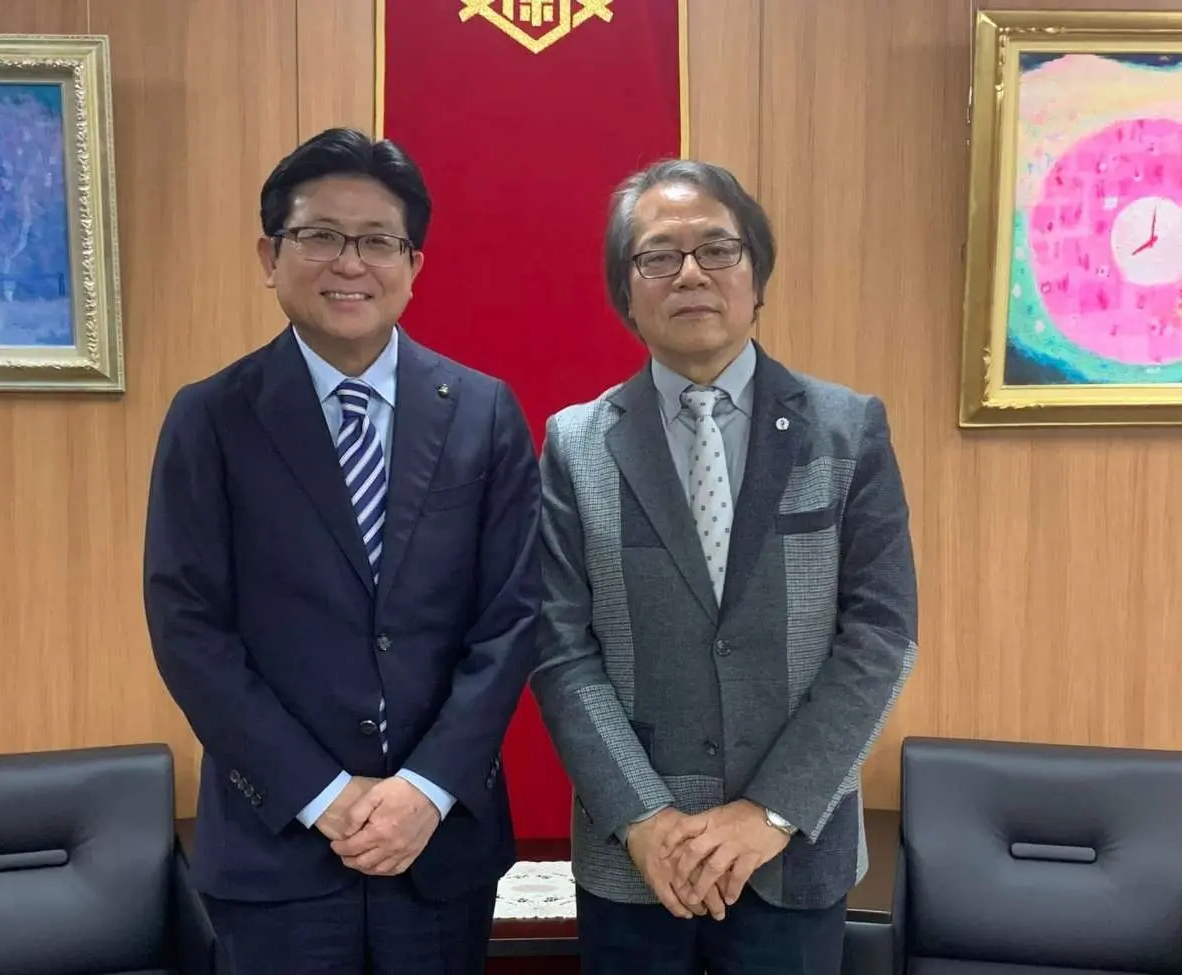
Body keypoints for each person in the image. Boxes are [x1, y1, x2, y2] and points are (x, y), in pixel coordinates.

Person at [143, 127, 542, 974]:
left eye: (377, 241)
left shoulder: (483, 411)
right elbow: (189, 629)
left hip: (438, 847)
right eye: (320, 235)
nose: (349, 263)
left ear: (414, 263)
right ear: (270, 254)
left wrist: (424, 789)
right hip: (276, 847)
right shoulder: (210, 418)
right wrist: (322, 796)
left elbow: (513, 618)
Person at [529, 159, 918, 975]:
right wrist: (643, 816)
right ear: (626, 290)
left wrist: (771, 811)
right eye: (658, 255)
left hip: (793, 852)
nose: (691, 273)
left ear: (757, 275)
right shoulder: (574, 444)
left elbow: (881, 635)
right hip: (637, 861)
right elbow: (559, 649)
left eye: (717, 248)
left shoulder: (847, 429)